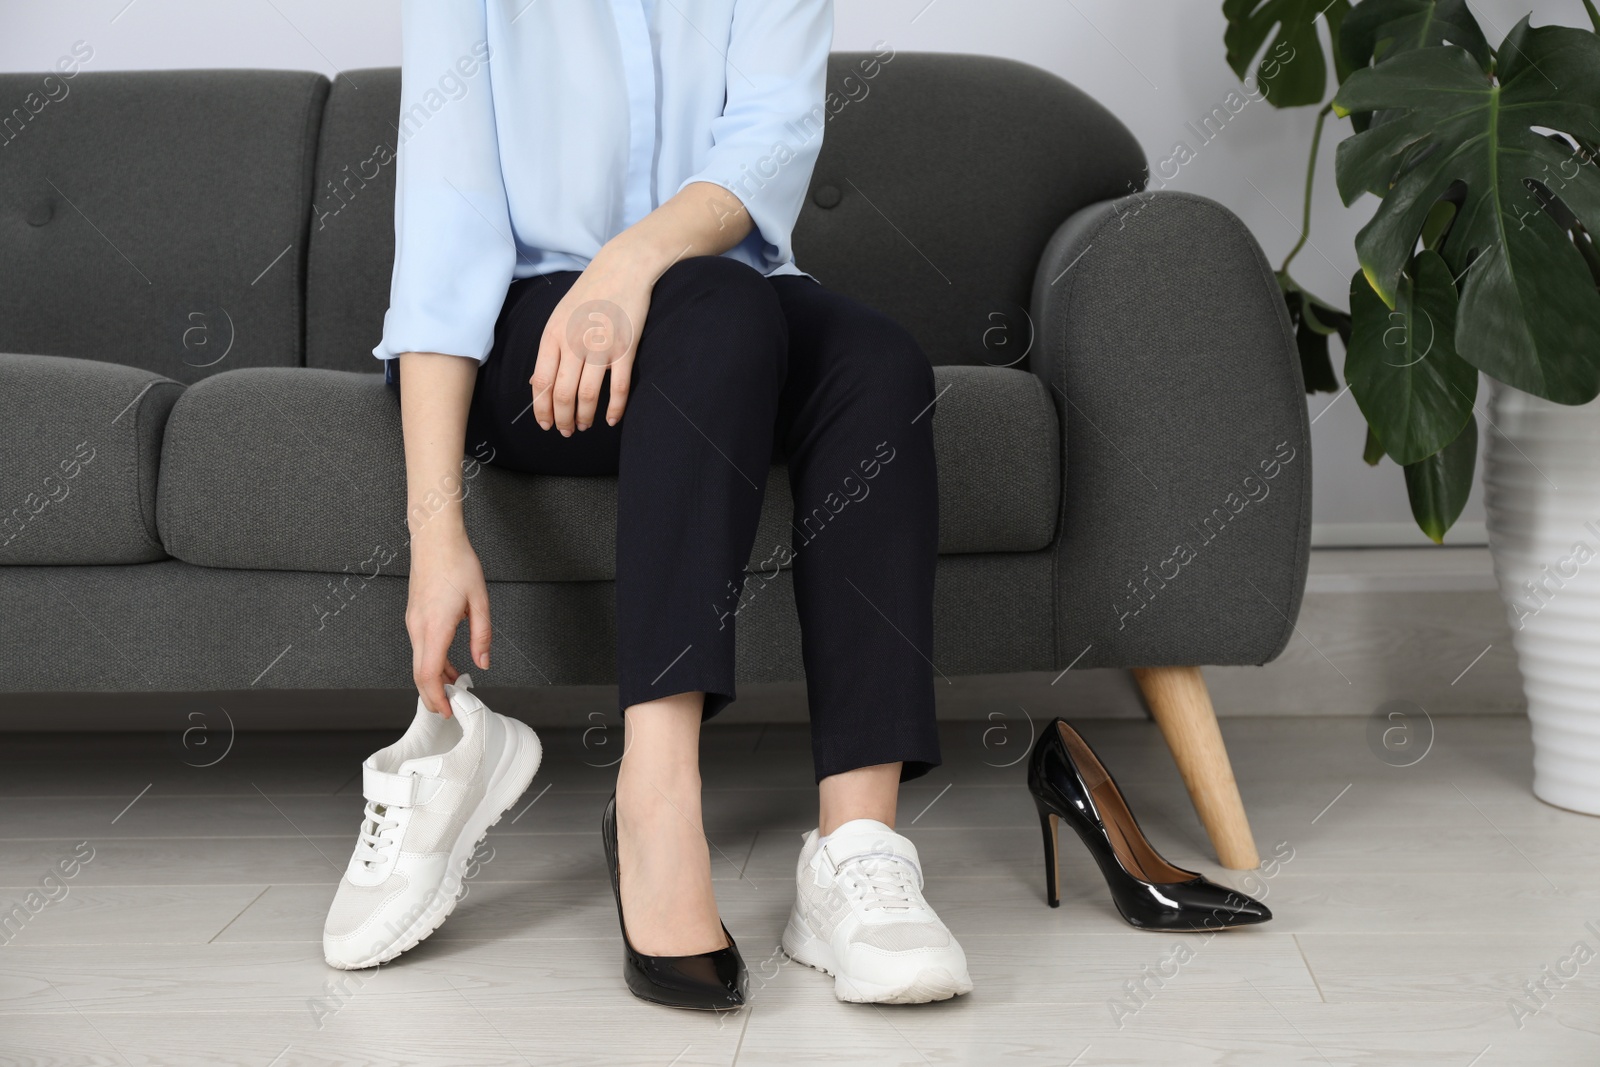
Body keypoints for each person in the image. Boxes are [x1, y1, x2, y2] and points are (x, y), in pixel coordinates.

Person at [324, 0, 971, 1009]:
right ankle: (655, 798)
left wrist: (630, 262)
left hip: (716, 306)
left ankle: (854, 847)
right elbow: (446, 237)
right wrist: (435, 527)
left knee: (871, 360)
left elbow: (773, 136)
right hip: (533, 341)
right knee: (720, 309)